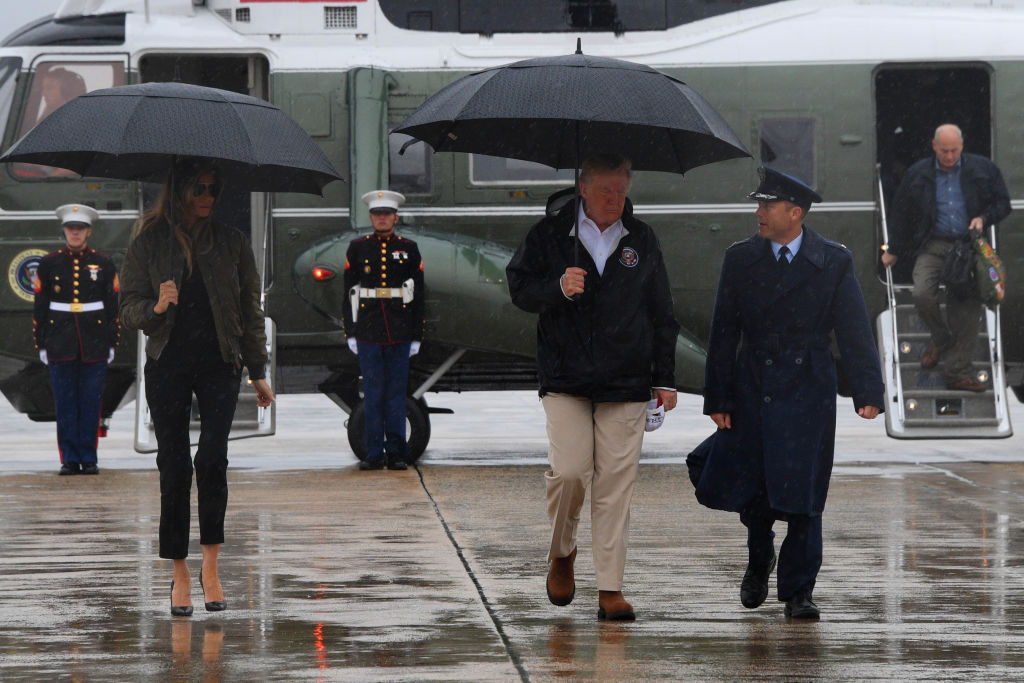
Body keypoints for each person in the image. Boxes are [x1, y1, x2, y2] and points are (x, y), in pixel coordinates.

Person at [695, 167, 884, 620]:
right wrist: (718, 398)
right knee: (757, 484)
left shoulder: (832, 260)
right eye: (758, 204)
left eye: (767, 205)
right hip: (753, 382)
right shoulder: (740, 258)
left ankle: (799, 590)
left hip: (808, 386)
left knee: (805, 488)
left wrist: (867, 389)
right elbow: (724, 331)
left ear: (794, 213)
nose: (758, 212)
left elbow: (854, 329)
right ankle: (760, 555)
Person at [506, 153, 680, 622]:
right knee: (569, 473)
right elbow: (519, 289)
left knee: (615, 486)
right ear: (583, 188)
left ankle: (610, 588)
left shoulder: (641, 238)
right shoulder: (548, 235)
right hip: (566, 377)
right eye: (606, 191)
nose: (615, 199)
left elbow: (662, 312)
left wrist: (664, 377)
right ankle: (562, 553)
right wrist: (557, 287)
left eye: (621, 191)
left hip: (626, 379)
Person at [119, 160, 275, 617]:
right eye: (199, 188)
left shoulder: (231, 242)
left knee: (211, 460)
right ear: (180, 191)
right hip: (169, 364)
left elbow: (249, 309)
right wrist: (157, 305)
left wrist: (258, 369)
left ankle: (212, 565)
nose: (208, 196)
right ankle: (180, 572)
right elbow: (127, 309)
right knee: (173, 464)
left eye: (214, 188)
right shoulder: (150, 242)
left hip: (219, 364)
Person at [882, 123, 1011, 391]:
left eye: (953, 151)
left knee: (966, 311)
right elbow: (901, 213)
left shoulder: (983, 169)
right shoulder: (917, 174)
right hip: (934, 244)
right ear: (934, 147)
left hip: (968, 247)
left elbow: (1003, 204)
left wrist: (983, 218)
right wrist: (893, 249)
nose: (949, 156)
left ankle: (957, 372)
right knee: (921, 295)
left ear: (962, 147)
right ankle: (941, 339)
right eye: (944, 151)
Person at [33, 204, 119, 475]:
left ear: (88, 232)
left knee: (91, 403)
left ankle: (89, 457)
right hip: (60, 342)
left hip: (94, 343)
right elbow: (40, 305)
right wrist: (42, 343)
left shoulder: (103, 263)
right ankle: (69, 458)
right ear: (64, 232)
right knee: (66, 404)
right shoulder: (49, 264)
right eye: (71, 229)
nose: (75, 233)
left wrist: (112, 341)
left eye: (79, 229)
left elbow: (112, 305)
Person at [342, 189, 425, 471]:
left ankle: (398, 453)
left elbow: (419, 295)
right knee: (374, 395)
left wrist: (416, 335)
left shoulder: (409, 248)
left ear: (395, 217)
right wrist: (350, 331)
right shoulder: (358, 247)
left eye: (387, 214)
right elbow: (348, 292)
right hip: (368, 330)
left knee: (396, 396)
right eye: (377, 214)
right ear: (371, 217)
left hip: (400, 331)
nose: (382, 218)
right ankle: (374, 453)